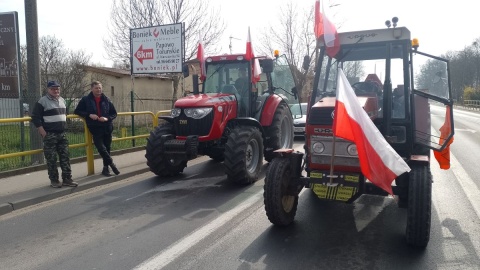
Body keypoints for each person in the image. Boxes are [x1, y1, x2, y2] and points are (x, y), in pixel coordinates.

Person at [31, 81, 78, 188]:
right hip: (50, 134)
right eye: (53, 89)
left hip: (62, 133)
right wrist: (42, 131)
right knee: (51, 159)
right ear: (48, 90)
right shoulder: (42, 101)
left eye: (57, 89)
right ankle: (54, 180)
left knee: (65, 157)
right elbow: (35, 117)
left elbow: (64, 114)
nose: (56, 91)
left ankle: (67, 179)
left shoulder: (62, 100)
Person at [74, 81, 120, 177]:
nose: (98, 90)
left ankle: (106, 168)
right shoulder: (86, 99)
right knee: (101, 148)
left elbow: (114, 113)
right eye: (96, 88)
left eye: (99, 88)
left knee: (107, 148)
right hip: (95, 127)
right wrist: (89, 115)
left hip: (107, 126)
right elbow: (77, 111)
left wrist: (106, 118)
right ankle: (112, 164)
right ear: (92, 89)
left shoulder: (106, 99)